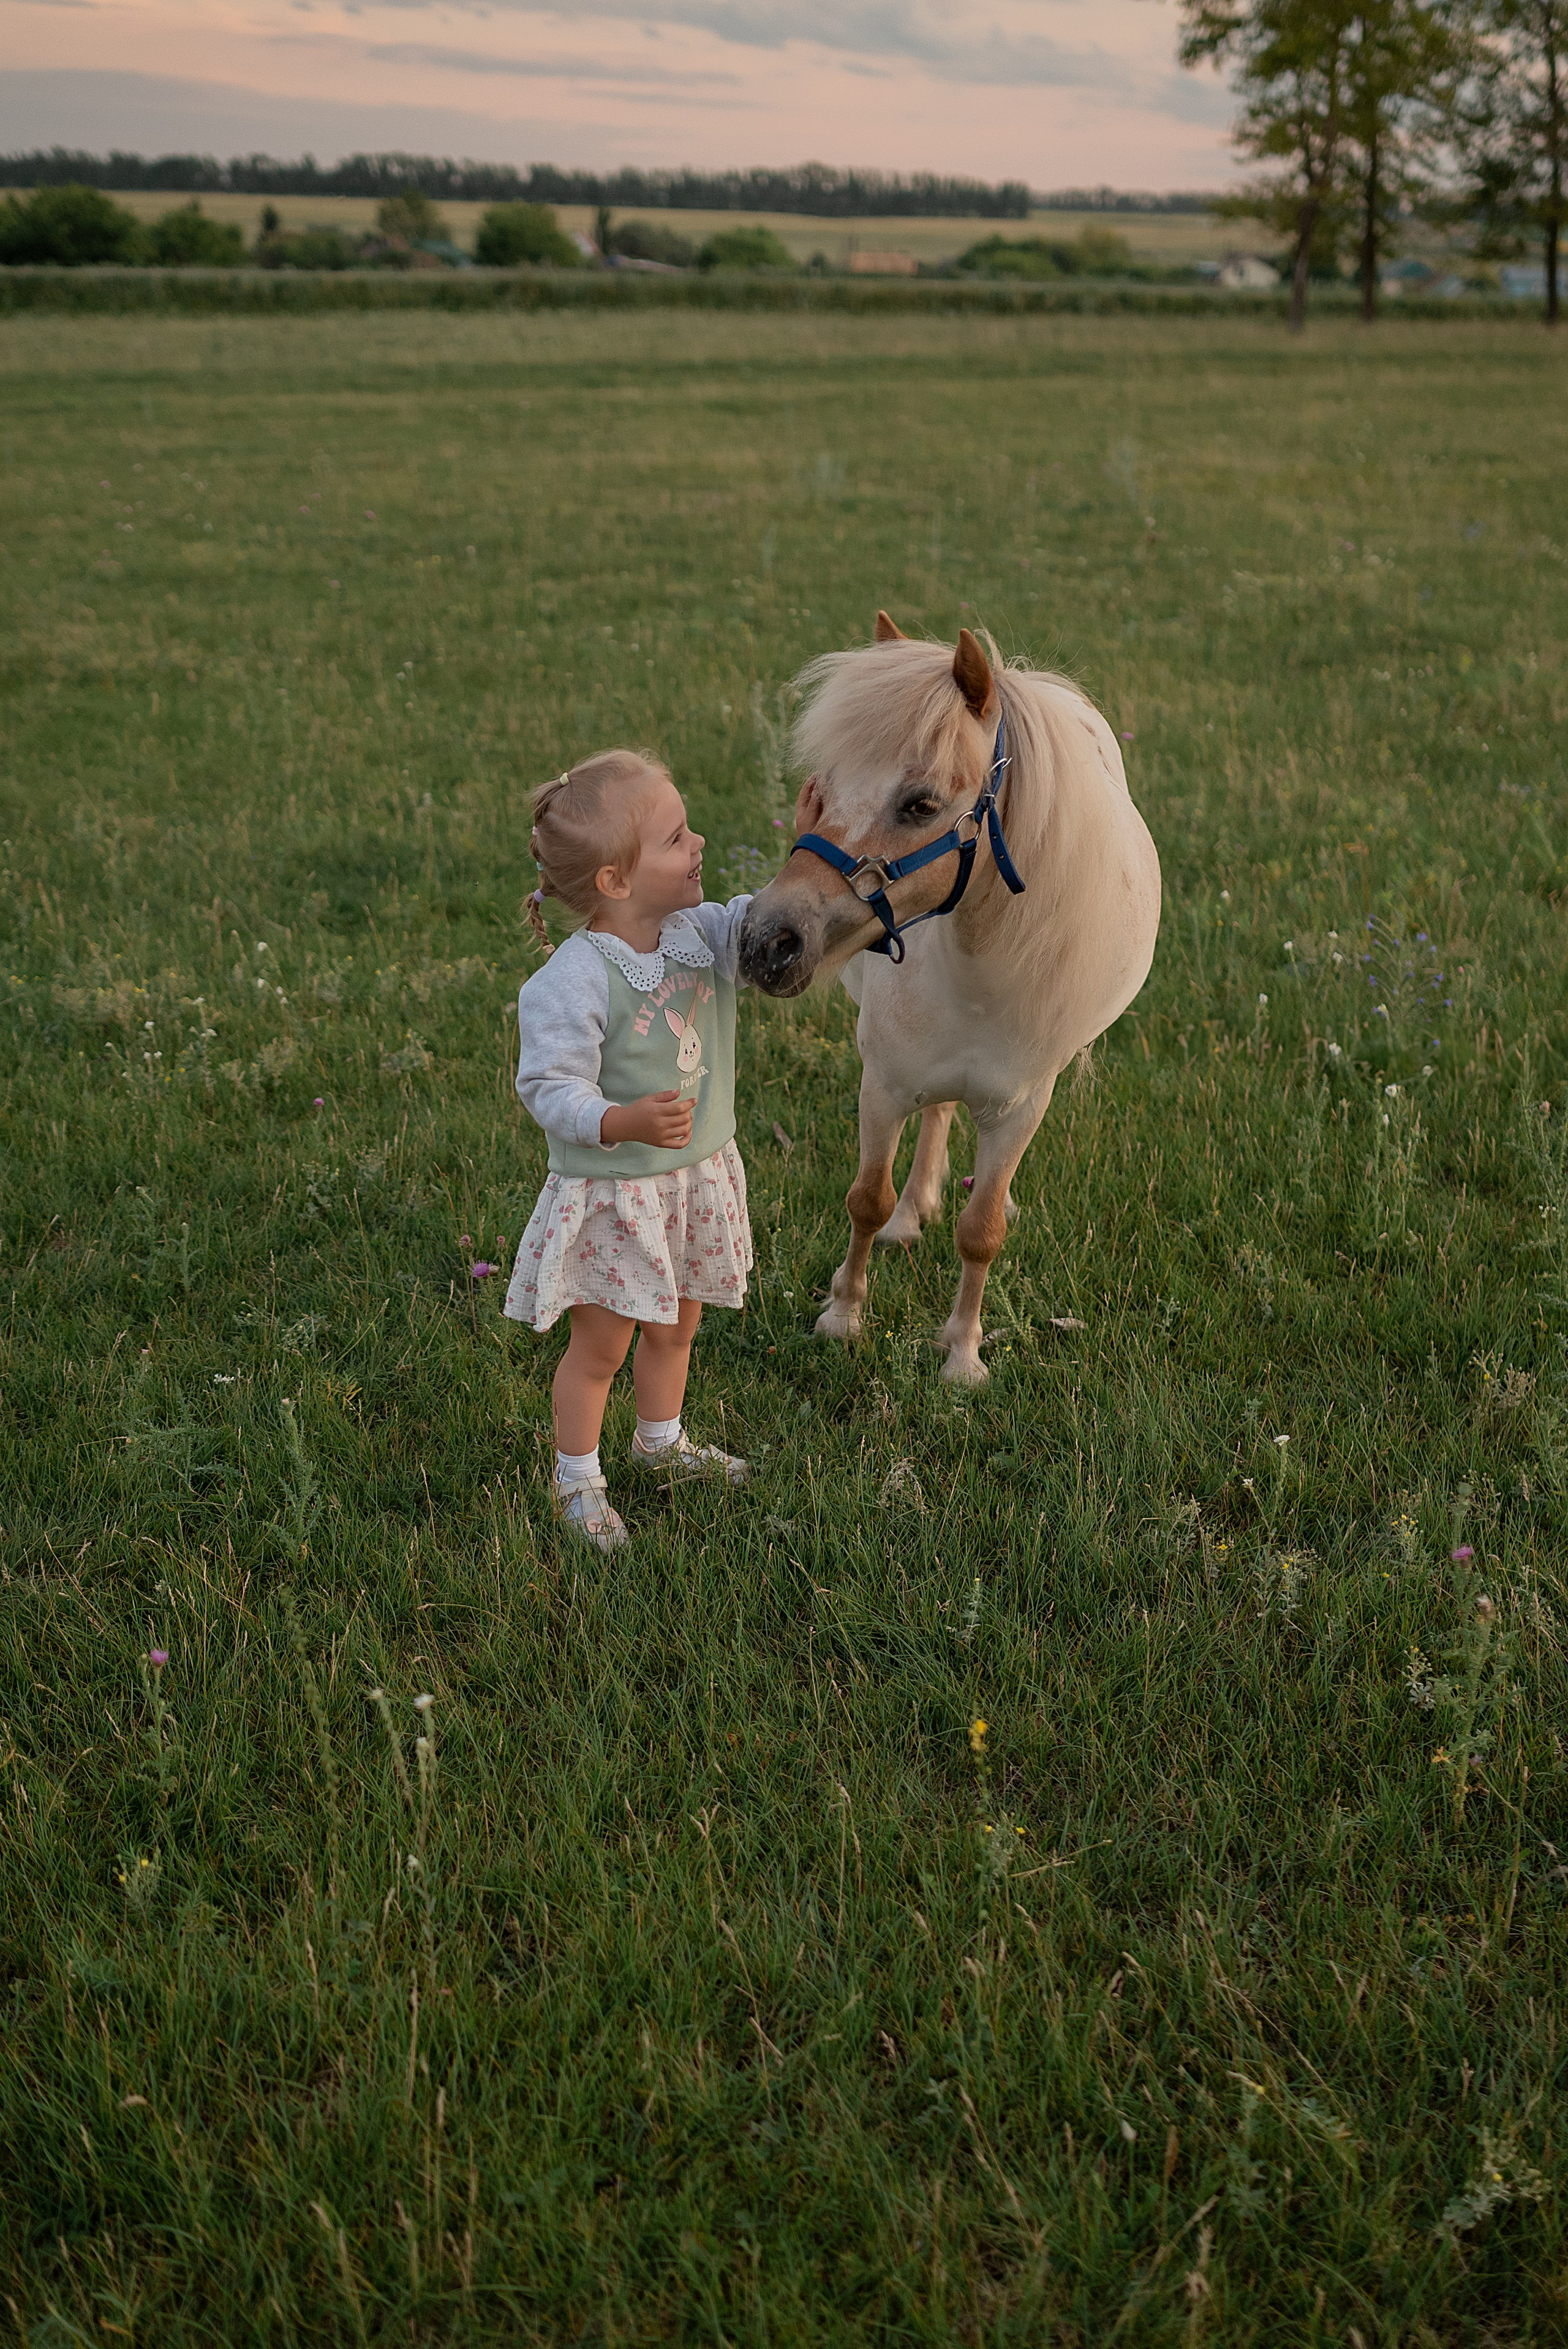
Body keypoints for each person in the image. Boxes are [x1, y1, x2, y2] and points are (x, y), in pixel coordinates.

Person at [506, 747, 754, 1550]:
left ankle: (660, 1441)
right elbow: (548, 1086)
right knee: (601, 1347)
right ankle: (576, 1480)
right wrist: (619, 1120)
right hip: (618, 1193)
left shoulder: (701, 935)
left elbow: (766, 931)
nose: (700, 843)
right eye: (677, 838)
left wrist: (810, 847)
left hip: (692, 1183)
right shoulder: (575, 978)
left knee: (677, 1326)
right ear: (615, 880)